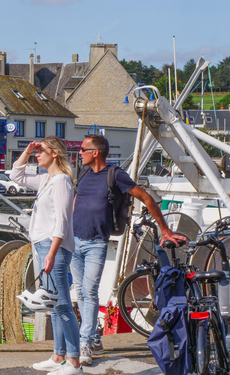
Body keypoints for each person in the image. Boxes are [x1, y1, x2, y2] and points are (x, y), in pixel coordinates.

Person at [72, 134, 185, 366]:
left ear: (96, 152)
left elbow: (146, 198)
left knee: (90, 292)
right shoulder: (82, 173)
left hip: (96, 242)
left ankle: (85, 342)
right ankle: (93, 337)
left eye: (83, 149)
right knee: (81, 293)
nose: (79, 152)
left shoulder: (115, 175)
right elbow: (76, 202)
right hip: (74, 240)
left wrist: (164, 229)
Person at [11, 137, 82, 375]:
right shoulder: (46, 180)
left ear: (54, 154)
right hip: (43, 245)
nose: (37, 155)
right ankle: (58, 355)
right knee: (52, 303)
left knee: (62, 305)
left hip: (54, 248)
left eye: (41, 151)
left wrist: (52, 253)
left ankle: (74, 362)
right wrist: (27, 150)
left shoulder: (61, 181)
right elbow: (16, 176)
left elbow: (63, 221)